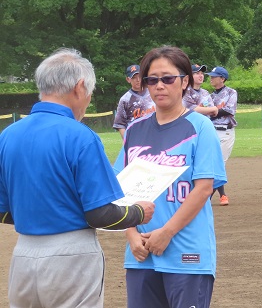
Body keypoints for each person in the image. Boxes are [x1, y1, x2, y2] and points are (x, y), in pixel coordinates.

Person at [0, 49, 154, 308]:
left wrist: (44, 213)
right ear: (79, 87)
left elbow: (3, 212)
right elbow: (100, 214)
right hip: (71, 254)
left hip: (24, 256)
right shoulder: (81, 136)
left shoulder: (8, 135)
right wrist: (138, 212)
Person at [115, 46, 226, 308]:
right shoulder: (135, 129)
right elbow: (120, 189)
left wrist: (166, 232)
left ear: (185, 81)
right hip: (141, 254)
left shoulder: (200, 127)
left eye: (168, 78)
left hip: (186, 252)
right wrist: (130, 234)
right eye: (152, 80)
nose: (159, 86)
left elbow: (203, 189)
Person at [207, 66, 237, 206]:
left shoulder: (231, 92)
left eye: (214, 76)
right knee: (212, 164)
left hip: (225, 131)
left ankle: (206, 197)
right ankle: (222, 195)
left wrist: (211, 111)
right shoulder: (209, 96)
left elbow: (229, 110)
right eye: (211, 76)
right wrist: (212, 111)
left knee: (219, 164)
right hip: (211, 131)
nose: (211, 78)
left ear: (222, 78)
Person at [113, 64, 155, 138]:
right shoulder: (125, 99)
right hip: (136, 138)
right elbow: (120, 124)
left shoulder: (153, 92)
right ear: (128, 79)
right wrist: (127, 141)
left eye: (139, 76)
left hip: (155, 134)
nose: (138, 80)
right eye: (134, 78)